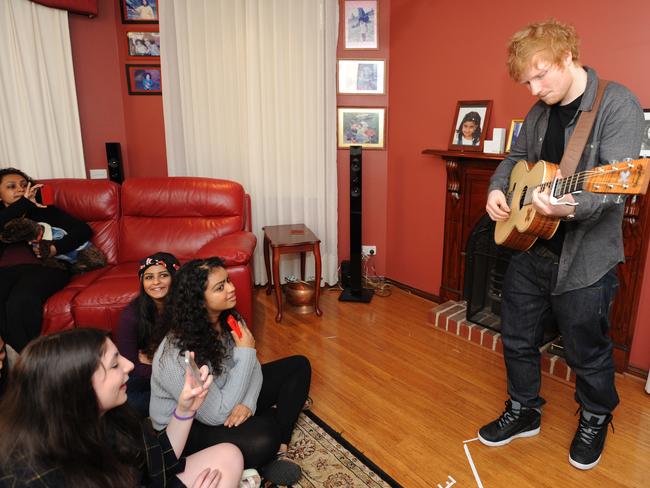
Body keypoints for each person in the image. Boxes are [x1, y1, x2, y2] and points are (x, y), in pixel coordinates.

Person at [481, 19, 643, 470]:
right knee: (515, 336)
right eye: (527, 80)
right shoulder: (539, 113)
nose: (533, 89)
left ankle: (594, 416)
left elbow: (616, 188)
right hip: (531, 248)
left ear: (568, 57)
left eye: (540, 75)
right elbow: (515, 160)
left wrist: (566, 209)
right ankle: (524, 408)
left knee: (585, 350)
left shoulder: (617, 104)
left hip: (585, 261)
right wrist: (497, 188)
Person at [0, 328, 244, 487]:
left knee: (229, 455)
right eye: (115, 364)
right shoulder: (33, 476)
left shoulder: (108, 417)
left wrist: (186, 409)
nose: (129, 365)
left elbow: (155, 462)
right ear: (78, 388)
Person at [150, 257, 311, 486]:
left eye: (228, 281)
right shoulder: (176, 355)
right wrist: (246, 353)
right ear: (198, 302)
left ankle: (281, 447)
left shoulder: (228, 317)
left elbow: (253, 367)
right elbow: (216, 414)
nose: (232, 289)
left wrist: (248, 403)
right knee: (264, 435)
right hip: (185, 429)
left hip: (227, 395)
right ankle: (268, 444)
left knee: (299, 366)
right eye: (220, 287)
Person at [0, 168, 92, 352]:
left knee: (22, 300)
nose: (19, 189)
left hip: (46, 268)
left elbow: (83, 230)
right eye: (11, 186)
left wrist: (54, 249)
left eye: (24, 185)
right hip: (6, 271)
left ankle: (27, 361)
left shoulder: (44, 211)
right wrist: (23, 205)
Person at [116, 252, 180, 417]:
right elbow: (130, 366)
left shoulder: (186, 307)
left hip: (182, 374)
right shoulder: (130, 316)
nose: (156, 282)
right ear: (142, 282)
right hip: (147, 377)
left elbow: (195, 354)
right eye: (149, 277)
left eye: (163, 275)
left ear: (175, 277)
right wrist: (165, 369)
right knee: (129, 402)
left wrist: (155, 363)